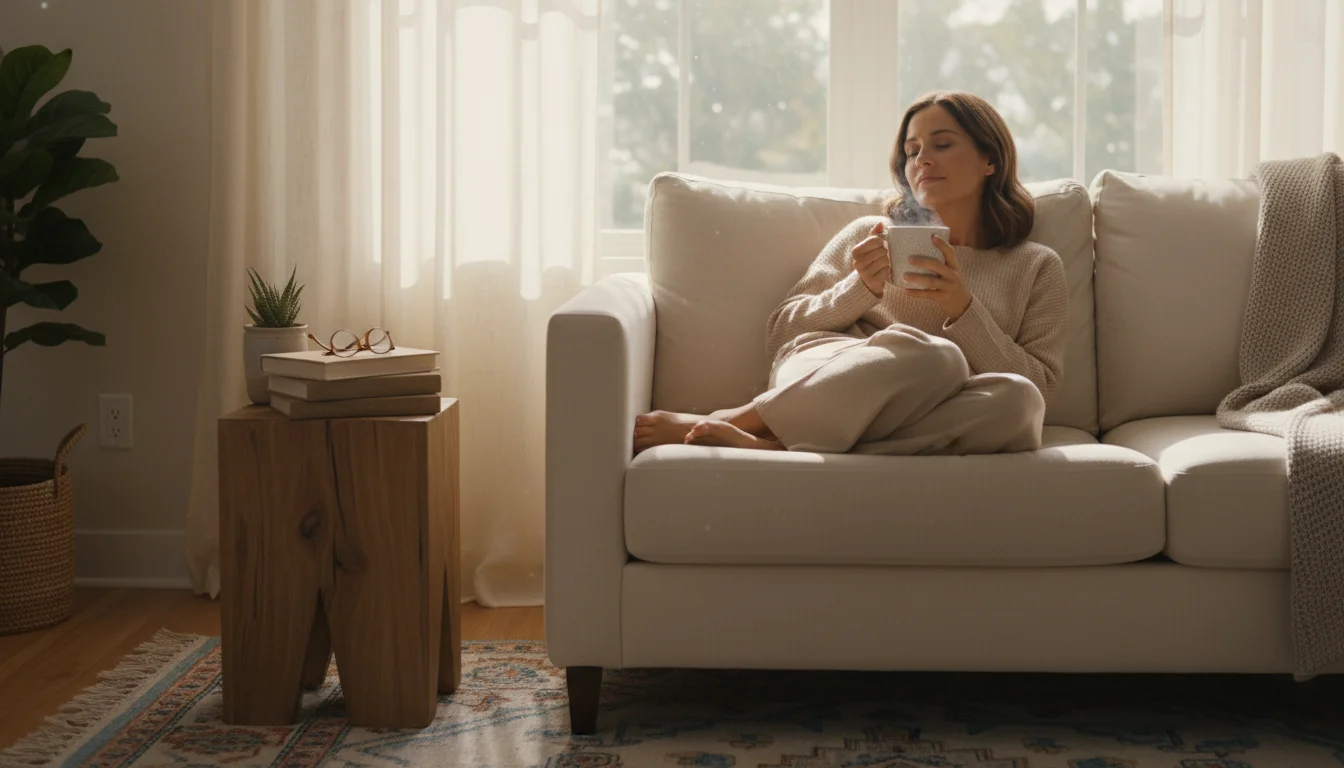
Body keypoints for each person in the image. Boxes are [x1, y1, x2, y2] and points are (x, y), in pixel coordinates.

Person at [634, 90, 1069, 455]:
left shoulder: (1036, 265)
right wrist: (859, 288)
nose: (922, 161)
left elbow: (1042, 390)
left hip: (927, 404)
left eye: (941, 144)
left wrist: (964, 309)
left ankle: (769, 442)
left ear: (988, 160)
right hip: (829, 370)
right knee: (938, 357)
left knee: (1017, 401)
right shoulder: (871, 234)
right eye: (912, 150)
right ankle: (744, 417)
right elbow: (781, 333)